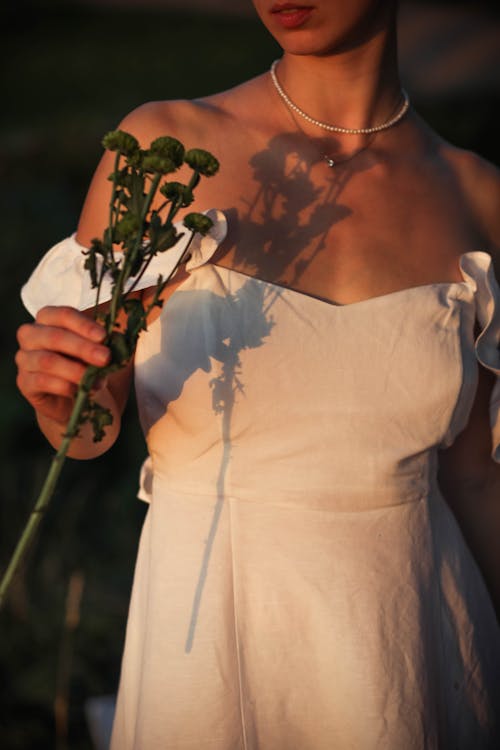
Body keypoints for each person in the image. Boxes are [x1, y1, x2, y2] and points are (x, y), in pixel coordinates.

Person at [15, 1, 500, 747]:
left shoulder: (477, 197)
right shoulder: (165, 148)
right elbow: (88, 427)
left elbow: (474, 480)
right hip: (208, 638)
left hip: (414, 638)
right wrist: (58, 393)